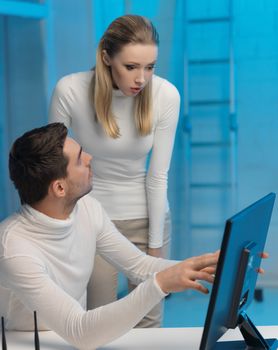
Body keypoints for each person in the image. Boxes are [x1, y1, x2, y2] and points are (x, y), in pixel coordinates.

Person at [0, 123, 219, 349]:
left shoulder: (87, 209)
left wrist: (208, 266)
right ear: (59, 188)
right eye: (79, 159)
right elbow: (80, 331)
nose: (89, 158)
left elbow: (139, 266)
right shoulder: (14, 249)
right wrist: (160, 285)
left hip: (66, 342)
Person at [49, 14, 180, 328]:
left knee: (149, 325)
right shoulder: (69, 90)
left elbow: (157, 176)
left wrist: (155, 248)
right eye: (131, 67)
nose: (141, 79)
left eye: (150, 67)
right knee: (98, 323)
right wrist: (60, 232)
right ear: (107, 57)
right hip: (92, 221)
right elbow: (53, 168)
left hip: (149, 218)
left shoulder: (165, 95)